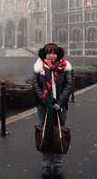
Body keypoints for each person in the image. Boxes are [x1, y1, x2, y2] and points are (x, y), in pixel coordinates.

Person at [32, 43, 72, 178]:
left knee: (58, 132)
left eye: (54, 53)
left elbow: (68, 86)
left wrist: (59, 103)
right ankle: (46, 164)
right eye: (49, 53)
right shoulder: (39, 68)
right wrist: (45, 103)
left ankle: (58, 164)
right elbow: (35, 86)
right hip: (44, 106)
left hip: (60, 106)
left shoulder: (65, 67)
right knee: (45, 133)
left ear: (58, 54)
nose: (51, 55)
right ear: (45, 54)